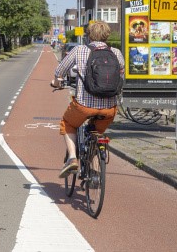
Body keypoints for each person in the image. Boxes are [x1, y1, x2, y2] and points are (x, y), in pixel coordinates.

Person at [53, 21, 125, 178]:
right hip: (109, 108)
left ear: (89, 35)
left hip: (84, 105)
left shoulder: (80, 50)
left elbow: (60, 70)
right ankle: (92, 159)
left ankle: (72, 159)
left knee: (68, 123)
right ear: (107, 35)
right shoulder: (116, 53)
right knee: (96, 132)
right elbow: (121, 78)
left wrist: (57, 81)